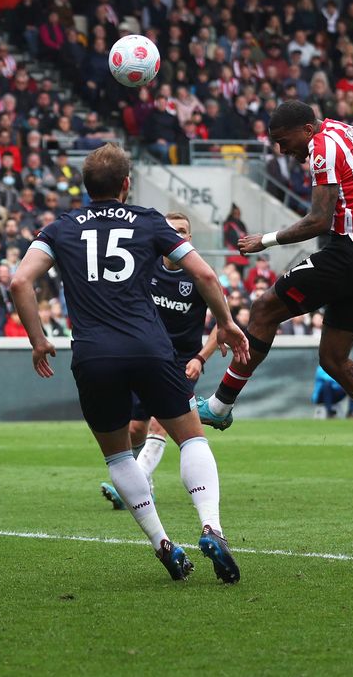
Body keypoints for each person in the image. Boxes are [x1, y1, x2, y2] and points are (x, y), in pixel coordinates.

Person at [9, 144, 249, 582]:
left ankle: (162, 544)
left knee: (120, 455)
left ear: (85, 186)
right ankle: (212, 528)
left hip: (93, 355)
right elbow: (207, 276)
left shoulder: (59, 227)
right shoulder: (147, 221)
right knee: (192, 439)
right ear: (126, 185)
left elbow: (20, 281)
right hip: (150, 349)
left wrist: (39, 340)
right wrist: (228, 325)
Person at [200, 100, 353, 493]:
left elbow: (319, 219)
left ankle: (220, 407)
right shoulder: (349, 132)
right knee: (334, 358)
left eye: (284, 142)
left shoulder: (321, 147)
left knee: (263, 309)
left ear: (306, 129)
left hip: (348, 254)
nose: (283, 151)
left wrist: (265, 240)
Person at [100, 212, 224, 511]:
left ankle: (135, 485)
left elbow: (223, 323)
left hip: (182, 361)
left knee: (161, 423)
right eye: (172, 231)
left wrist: (200, 357)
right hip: (145, 356)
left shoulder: (200, 274)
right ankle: (146, 486)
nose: (177, 235)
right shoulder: (145, 269)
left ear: (190, 237)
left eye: (182, 231)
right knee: (134, 429)